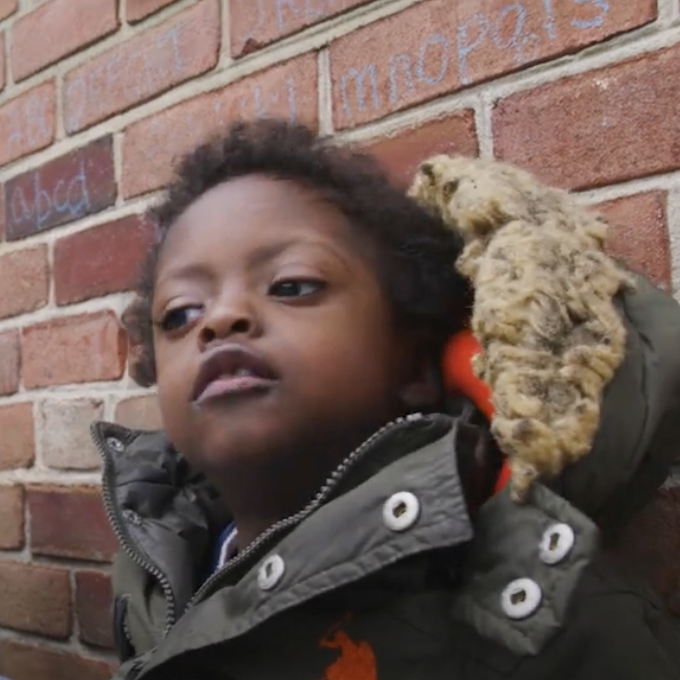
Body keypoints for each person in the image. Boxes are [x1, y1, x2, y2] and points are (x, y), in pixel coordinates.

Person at [94, 118, 680, 680]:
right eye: (180, 314)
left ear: (416, 365)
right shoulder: (157, 570)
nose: (219, 319)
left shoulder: (534, 618)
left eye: (292, 285)